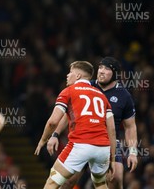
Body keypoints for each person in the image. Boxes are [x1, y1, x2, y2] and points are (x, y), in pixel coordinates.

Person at [47, 57, 138, 189]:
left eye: (107, 69)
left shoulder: (124, 96)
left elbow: (130, 127)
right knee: (67, 182)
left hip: (108, 143)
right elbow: (69, 114)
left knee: (116, 178)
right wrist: (55, 134)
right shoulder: (87, 86)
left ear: (115, 74)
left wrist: (133, 152)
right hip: (83, 139)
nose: (101, 71)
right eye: (100, 67)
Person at [34, 61, 116, 189]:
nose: (67, 75)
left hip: (80, 145)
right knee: (100, 184)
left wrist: (43, 140)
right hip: (102, 148)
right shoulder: (102, 96)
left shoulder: (68, 91)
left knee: (52, 182)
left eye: (70, 72)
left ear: (77, 76)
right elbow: (111, 129)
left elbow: (52, 122)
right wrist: (112, 158)